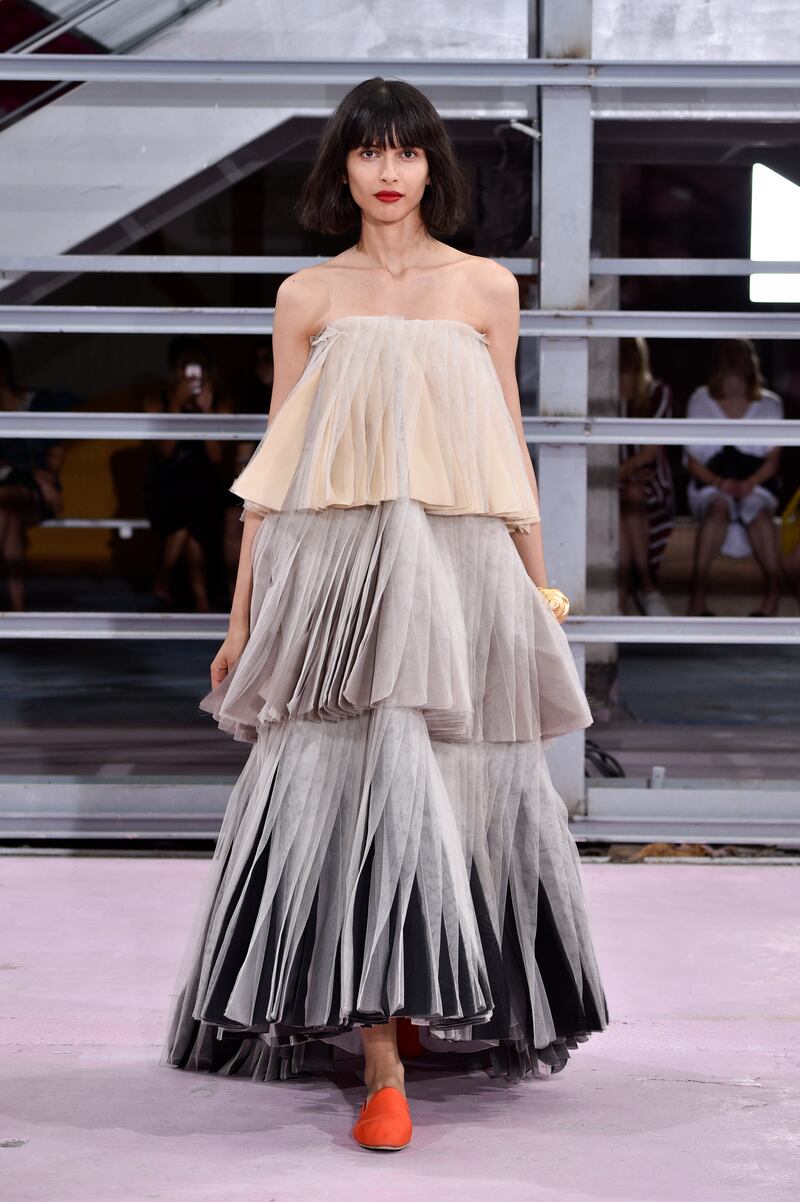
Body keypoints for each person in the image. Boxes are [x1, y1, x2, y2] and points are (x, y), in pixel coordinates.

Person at [160, 76, 609, 1153]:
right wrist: (240, 618)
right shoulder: (308, 296)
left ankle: (412, 998)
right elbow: (273, 474)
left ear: (429, 167)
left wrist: (540, 592)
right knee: (352, 780)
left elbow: (506, 455)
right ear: (343, 169)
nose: (388, 171)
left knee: (450, 790)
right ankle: (379, 1063)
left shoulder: (484, 289)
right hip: (340, 570)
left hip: (457, 567)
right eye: (369, 152)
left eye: (406, 151)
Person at [683, 339, 783, 617]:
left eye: (741, 354)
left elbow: (774, 459)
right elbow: (691, 459)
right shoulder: (700, 400)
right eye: (729, 354)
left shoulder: (770, 403)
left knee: (760, 514)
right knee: (717, 508)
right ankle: (698, 595)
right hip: (712, 482)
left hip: (756, 484)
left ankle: (772, 597)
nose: (735, 360)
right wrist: (719, 482)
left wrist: (749, 483)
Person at [144, 337, 231, 612]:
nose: (192, 374)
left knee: (189, 518)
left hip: (206, 487)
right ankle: (201, 601)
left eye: (198, 367)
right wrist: (175, 405)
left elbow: (217, 457)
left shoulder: (221, 401)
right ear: (175, 370)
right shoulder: (156, 400)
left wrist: (207, 414)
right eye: (186, 367)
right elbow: (166, 452)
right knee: (186, 517)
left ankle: (164, 580)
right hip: (166, 487)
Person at [0, 338, 72, 611]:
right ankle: (18, 612)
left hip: (33, 493)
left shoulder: (36, 401)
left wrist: (48, 480)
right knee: (10, 520)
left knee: (6, 501)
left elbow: (56, 450)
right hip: (15, 492)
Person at [617, 337, 675, 616]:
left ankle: (625, 593)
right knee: (620, 503)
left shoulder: (657, 393)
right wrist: (619, 474)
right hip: (606, 482)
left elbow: (650, 453)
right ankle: (645, 586)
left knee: (634, 495)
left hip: (650, 484)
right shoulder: (597, 392)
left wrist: (622, 472)